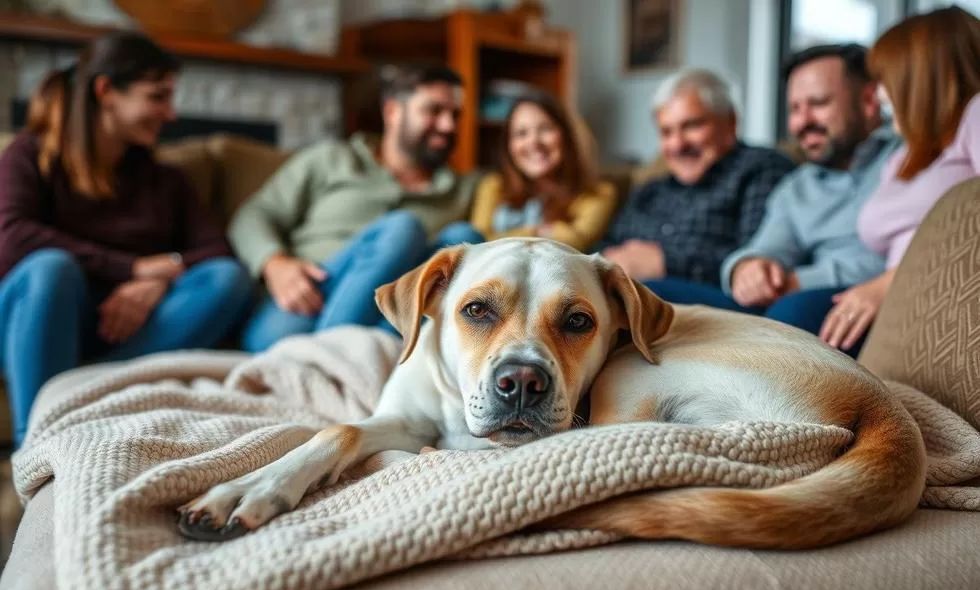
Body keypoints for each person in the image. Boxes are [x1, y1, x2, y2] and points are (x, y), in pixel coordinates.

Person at [0, 32, 253, 448]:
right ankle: (37, 442)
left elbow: (217, 253)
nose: (170, 114)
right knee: (51, 268)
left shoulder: (166, 180)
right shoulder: (30, 155)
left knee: (227, 279)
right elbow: (13, 237)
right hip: (38, 317)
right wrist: (129, 268)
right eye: (157, 97)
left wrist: (156, 282)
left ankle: (88, 392)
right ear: (106, 92)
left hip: (127, 335)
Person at [229, 63, 484, 353]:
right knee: (403, 228)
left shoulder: (464, 189)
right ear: (392, 112)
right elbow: (254, 214)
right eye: (434, 111)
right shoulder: (331, 159)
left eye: (455, 115)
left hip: (390, 319)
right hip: (302, 307)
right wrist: (274, 263)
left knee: (466, 239)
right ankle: (327, 360)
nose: (448, 125)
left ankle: (367, 357)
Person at [714, 43, 903, 356]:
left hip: (858, 303)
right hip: (786, 297)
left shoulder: (908, 159)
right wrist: (748, 269)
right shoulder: (795, 186)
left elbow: (898, 258)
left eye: (818, 103)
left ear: (869, 100)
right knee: (652, 297)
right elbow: (768, 247)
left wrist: (797, 282)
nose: (802, 122)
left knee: (789, 316)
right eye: (794, 109)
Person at [818, 6, 980, 352]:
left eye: (884, 79)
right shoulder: (901, 159)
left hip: (928, 296)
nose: (878, 95)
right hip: (888, 298)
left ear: (921, 77)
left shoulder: (975, 114)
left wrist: (890, 284)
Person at [596, 68, 796, 288]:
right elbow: (602, 247)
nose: (677, 145)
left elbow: (757, 261)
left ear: (730, 122)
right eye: (666, 132)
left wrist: (667, 262)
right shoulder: (651, 190)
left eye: (691, 126)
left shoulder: (760, 168)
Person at [469, 90, 617, 252]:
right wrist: (539, 231)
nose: (534, 142)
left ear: (566, 135)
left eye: (545, 129)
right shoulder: (493, 185)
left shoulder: (599, 193)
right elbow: (479, 244)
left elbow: (575, 243)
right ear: (509, 145)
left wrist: (505, 236)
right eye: (521, 133)